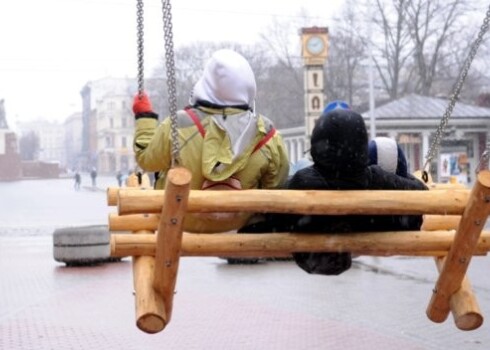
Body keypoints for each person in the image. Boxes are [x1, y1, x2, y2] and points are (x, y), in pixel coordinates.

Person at [241, 108, 428, 275]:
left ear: (317, 144)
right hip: (366, 234)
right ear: (362, 147)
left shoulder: (303, 182)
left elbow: (275, 217)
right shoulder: (376, 180)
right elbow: (421, 196)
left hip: (312, 252)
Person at [132, 49, 290, 233]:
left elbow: (147, 161)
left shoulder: (179, 124)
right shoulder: (266, 132)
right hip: (239, 221)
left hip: (181, 218)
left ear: (206, 83)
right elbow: (276, 185)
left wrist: (144, 116)